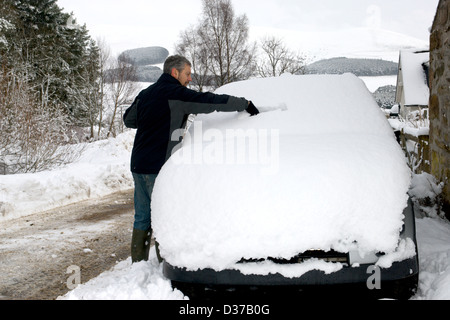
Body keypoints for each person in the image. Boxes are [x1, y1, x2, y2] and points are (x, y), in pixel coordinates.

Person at [123, 55, 259, 263]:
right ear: (174, 73)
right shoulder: (176, 94)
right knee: (163, 216)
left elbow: (129, 120)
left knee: (142, 216)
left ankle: (138, 264)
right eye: (187, 74)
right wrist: (245, 104)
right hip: (158, 166)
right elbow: (210, 101)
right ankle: (166, 265)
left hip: (138, 163)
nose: (190, 79)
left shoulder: (145, 94)